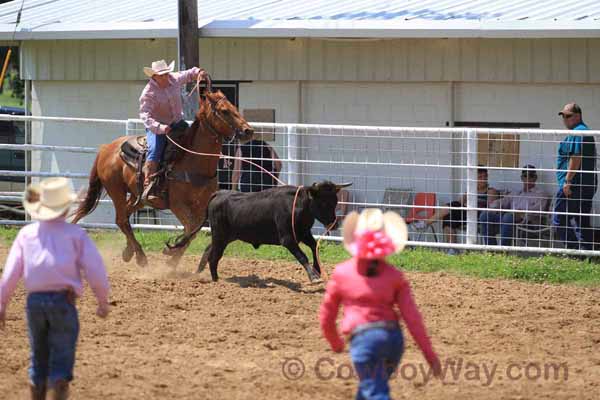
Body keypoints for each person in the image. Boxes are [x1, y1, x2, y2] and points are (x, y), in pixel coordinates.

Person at [0, 177, 111, 400]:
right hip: (64, 301)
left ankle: (37, 386)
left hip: (34, 303)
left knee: (38, 351)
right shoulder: (76, 235)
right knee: (63, 349)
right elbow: (95, 269)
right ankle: (59, 384)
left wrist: (2, 304)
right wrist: (102, 301)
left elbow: (11, 272)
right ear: (66, 207)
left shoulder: (26, 234)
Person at [320, 209, 441, 400]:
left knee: (375, 391)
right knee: (371, 386)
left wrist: (335, 343)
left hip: (364, 340)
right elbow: (413, 318)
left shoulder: (342, 273)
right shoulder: (395, 277)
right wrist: (430, 355)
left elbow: (327, 316)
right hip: (393, 340)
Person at [139, 59, 208, 202]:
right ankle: (149, 183)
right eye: (162, 75)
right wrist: (160, 127)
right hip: (157, 127)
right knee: (154, 149)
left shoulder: (174, 78)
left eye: (166, 74)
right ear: (154, 76)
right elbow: (145, 115)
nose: (165, 77)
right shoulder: (148, 92)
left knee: (193, 140)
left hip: (177, 124)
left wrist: (199, 72)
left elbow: (189, 74)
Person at [422, 166, 499, 251]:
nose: (483, 179)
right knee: (448, 217)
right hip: (467, 213)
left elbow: (490, 209)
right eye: (480, 177)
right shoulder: (471, 190)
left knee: (453, 206)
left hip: (480, 216)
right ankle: (452, 249)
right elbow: (460, 203)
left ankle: (425, 223)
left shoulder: (491, 191)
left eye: (485, 177)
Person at [553, 103, 598, 250]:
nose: (565, 119)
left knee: (559, 219)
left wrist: (567, 181)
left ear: (578, 116)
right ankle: (586, 254)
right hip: (586, 185)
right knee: (581, 220)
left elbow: (576, 157)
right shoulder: (583, 132)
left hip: (574, 185)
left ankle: (574, 251)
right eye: (563, 116)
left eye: (568, 116)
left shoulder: (579, 132)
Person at [479, 165, 548, 246]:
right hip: (509, 220)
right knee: (485, 215)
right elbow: (503, 201)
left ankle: (504, 250)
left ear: (535, 178)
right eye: (525, 176)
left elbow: (538, 211)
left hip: (528, 224)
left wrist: (521, 213)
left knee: (508, 216)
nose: (528, 178)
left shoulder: (541, 194)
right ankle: (492, 249)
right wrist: (493, 207)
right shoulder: (516, 193)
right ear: (522, 178)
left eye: (531, 176)